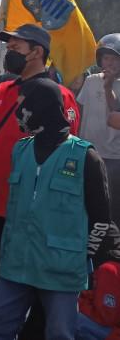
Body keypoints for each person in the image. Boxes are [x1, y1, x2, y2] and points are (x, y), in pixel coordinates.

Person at [0, 78, 112, 339]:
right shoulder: (21, 150)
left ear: (40, 106)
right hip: (16, 263)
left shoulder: (85, 157)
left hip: (61, 272)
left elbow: (101, 220)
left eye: (23, 104)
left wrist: (79, 256)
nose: (19, 111)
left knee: (59, 333)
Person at [0, 24, 81, 316]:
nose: (9, 53)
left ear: (37, 52)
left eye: (16, 48)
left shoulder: (60, 96)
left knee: (25, 292)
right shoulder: (3, 89)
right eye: (9, 48)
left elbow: (66, 151)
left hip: (28, 212)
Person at [77, 33, 120, 221]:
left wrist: (108, 87)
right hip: (87, 150)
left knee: (108, 206)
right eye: (106, 58)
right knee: (84, 200)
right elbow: (79, 110)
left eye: (115, 59)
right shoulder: (91, 80)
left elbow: (114, 113)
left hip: (112, 157)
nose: (110, 63)